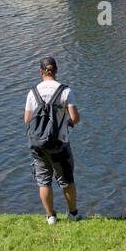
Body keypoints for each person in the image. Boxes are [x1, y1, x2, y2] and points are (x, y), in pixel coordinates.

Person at [23, 56, 81, 224]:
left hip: (38, 145)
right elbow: (75, 118)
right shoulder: (65, 91)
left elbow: (27, 120)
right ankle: (73, 214)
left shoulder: (32, 92)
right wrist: (68, 123)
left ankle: (51, 217)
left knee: (43, 180)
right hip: (59, 143)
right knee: (66, 180)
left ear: (41, 72)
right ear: (56, 70)